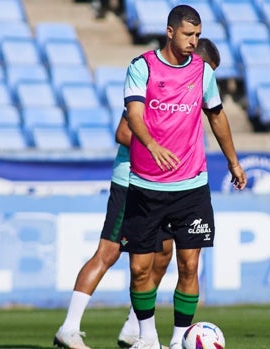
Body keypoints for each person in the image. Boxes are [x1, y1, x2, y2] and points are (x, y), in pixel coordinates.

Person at [53, 37, 222, 349]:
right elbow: (123, 132)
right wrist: (161, 149)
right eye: (206, 70)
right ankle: (69, 327)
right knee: (109, 252)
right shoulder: (152, 81)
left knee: (164, 255)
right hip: (133, 182)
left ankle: (135, 330)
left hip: (172, 184)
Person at [121, 5, 246, 349]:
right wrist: (150, 144)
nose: (194, 41)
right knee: (140, 270)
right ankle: (147, 338)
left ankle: (178, 342)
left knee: (189, 265)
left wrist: (233, 162)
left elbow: (217, 117)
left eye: (198, 35)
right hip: (146, 185)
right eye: (189, 34)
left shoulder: (203, 73)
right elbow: (133, 114)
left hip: (191, 186)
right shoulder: (142, 67)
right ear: (171, 31)